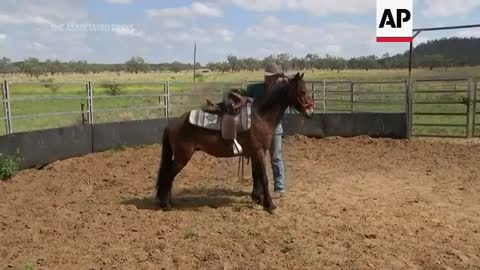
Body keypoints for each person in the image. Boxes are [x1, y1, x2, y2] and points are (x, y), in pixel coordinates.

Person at [238, 63, 286, 194]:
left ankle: (279, 186)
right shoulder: (256, 89)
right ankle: (258, 187)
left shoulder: (281, 91)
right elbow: (241, 93)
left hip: (274, 127)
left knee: (276, 156)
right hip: (257, 129)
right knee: (258, 157)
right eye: (273, 77)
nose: (275, 79)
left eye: (277, 77)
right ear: (267, 78)